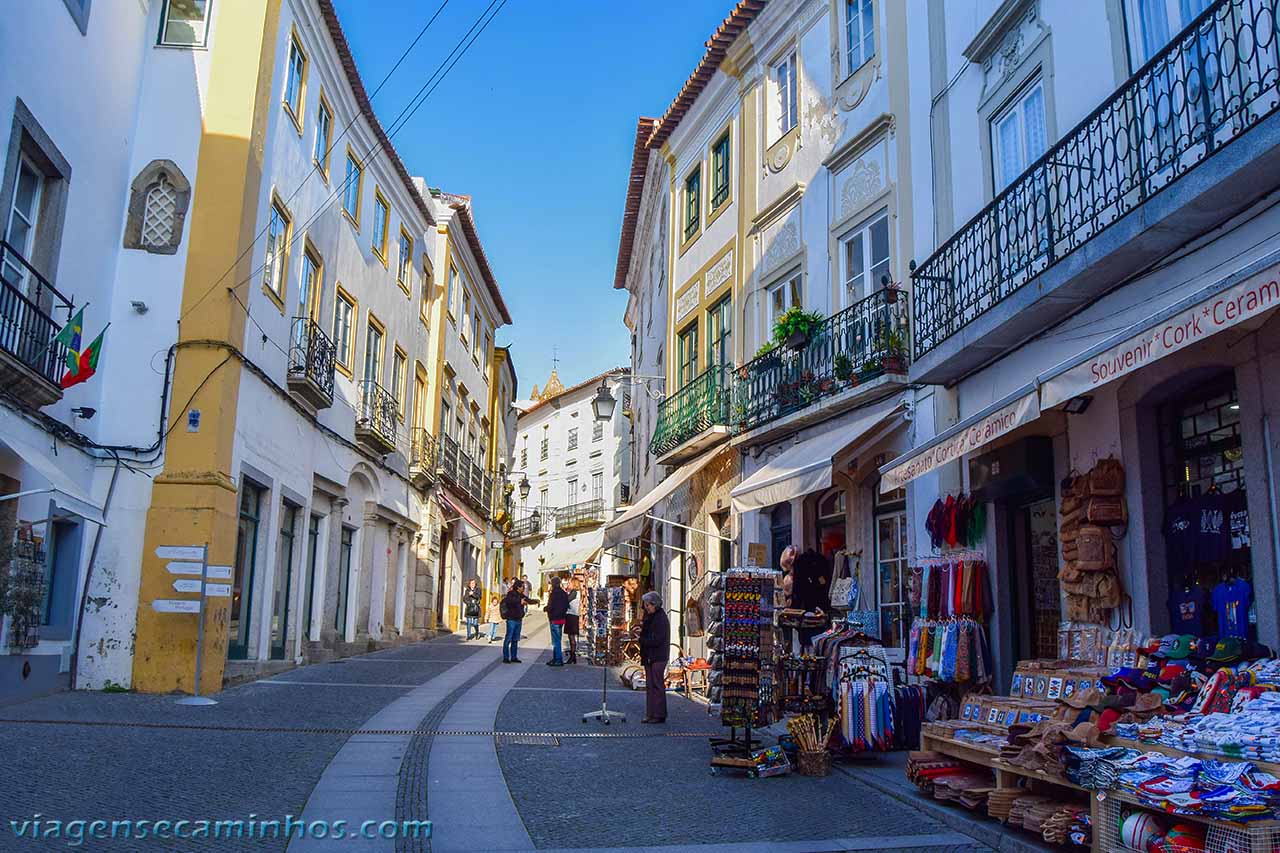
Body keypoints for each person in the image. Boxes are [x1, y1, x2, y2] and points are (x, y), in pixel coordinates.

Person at [639, 591, 670, 724]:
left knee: (657, 685)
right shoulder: (650, 616)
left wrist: (642, 640)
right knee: (650, 685)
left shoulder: (660, 618)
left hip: (657, 656)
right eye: (646, 605)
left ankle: (658, 714)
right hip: (649, 655)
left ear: (654, 604)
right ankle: (651, 713)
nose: (647, 608)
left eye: (648, 605)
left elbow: (657, 639)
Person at [501, 579, 529, 663]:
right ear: (518, 587)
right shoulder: (510, 594)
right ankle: (506, 657)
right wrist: (520, 601)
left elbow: (527, 600)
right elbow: (510, 601)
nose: (523, 588)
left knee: (515, 639)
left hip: (518, 619)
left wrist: (535, 601)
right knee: (508, 638)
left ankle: (514, 657)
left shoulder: (521, 595)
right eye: (522, 587)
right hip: (511, 619)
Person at [544, 577, 569, 666]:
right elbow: (567, 605)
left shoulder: (553, 594)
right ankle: (555, 659)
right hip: (561, 619)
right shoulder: (564, 593)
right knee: (557, 639)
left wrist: (545, 608)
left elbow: (550, 606)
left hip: (554, 619)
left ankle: (558, 659)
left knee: (556, 641)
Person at [565, 577, 581, 664]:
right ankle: (572, 655)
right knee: (571, 636)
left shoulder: (574, 592)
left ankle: (572, 656)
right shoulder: (574, 592)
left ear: (574, 584)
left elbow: (566, 600)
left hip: (572, 616)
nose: (568, 585)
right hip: (572, 615)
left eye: (569, 583)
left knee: (571, 637)